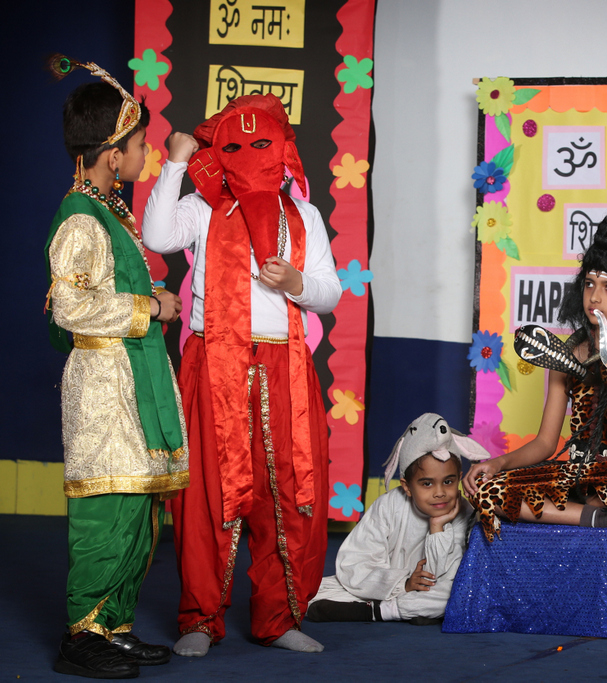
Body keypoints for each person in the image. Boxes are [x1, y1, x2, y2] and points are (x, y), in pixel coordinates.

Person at [142, 94, 343, 656]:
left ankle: (279, 618)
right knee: (207, 491)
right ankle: (199, 619)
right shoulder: (206, 208)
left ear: (284, 148)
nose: (250, 154)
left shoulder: (303, 216)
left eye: (262, 143)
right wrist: (176, 164)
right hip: (215, 363)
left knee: (288, 492)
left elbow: (329, 294)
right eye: (235, 145)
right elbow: (158, 237)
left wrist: (296, 283)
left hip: (283, 367)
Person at [44, 56, 189, 678]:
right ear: (110, 154)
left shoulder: (113, 214)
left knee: (138, 511)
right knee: (107, 513)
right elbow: (71, 306)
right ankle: (82, 636)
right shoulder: (81, 218)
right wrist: (150, 305)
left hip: (133, 383)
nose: (144, 155)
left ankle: (114, 626)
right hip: (104, 390)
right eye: (138, 146)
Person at [463, 216, 607, 541]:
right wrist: (498, 464)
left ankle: (596, 512)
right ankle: (601, 519)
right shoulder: (565, 358)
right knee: (487, 490)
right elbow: (545, 443)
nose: (595, 296)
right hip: (578, 479)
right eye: (589, 283)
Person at [307, 413, 481, 624]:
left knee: (461, 596)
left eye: (448, 481)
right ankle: (406, 609)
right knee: (307, 594)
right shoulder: (389, 504)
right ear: (407, 486)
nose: (440, 492)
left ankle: (377, 612)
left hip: (432, 590)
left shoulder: (464, 512)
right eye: (427, 483)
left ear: (459, 478)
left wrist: (437, 528)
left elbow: (438, 578)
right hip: (388, 586)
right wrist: (403, 584)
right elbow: (355, 561)